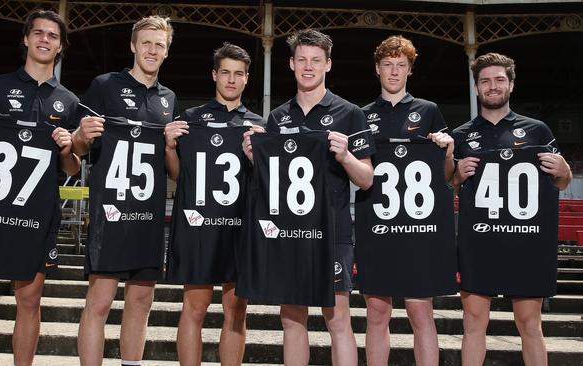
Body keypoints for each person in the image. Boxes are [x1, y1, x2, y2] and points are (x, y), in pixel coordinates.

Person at [0, 9, 79, 366]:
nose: (44, 39)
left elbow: (70, 167)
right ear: (25, 39)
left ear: (61, 46)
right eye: (38, 33)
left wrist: (68, 146)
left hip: (34, 215)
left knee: (30, 301)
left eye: (52, 36)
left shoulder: (68, 102)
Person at [243, 29, 375, 366]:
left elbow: (367, 179)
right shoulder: (277, 117)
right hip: (289, 232)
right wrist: (253, 157)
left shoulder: (349, 113)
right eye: (301, 59)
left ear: (328, 64)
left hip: (332, 233)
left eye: (316, 60)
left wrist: (346, 157)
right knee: (291, 319)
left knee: (338, 319)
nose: (308, 67)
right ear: (290, 63)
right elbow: (270, 180)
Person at [452, 52, 572, 366]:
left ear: (511, 84)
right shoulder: (461, 135)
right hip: (480, 240)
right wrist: (456, 174)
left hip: (526, 240)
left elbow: (561, 182)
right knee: (473, 322)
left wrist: (563, 168)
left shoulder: (538, 131)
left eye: (499, 80)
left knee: (529, 323)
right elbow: (450, 186)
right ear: (476, 87)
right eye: (485, 81)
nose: (493, 86)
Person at [71, 16, 178, 366]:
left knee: (141, 303)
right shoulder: (105, 86)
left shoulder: (168, 99)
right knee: (99, 301)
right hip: (110, 213)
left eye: (159, 44)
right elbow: (78, 148)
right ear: (133, 45)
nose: (152, 49)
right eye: (146, 42)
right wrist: (81, 136)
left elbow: (168, 159)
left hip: (147, 215)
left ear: (167, 51)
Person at [357, 35, 456, 366]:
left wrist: (447, 148)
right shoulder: (361, 115)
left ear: (410, 70)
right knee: (376, 311)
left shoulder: (428, 111)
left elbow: (447, 174)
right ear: (377, 69)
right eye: (388, 65)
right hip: (377, 226)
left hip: (418, 229)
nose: (394, 72)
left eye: (401, 66)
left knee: (420, 310)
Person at [163, 42, 263, 366]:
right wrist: (168, 148)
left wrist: (260, 153)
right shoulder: (191, 119)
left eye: (239, 74)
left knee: (236, 310)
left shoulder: (258, 125)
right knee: (195, 307)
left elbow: (266, 184)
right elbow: (179, 175)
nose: (231, 80)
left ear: (247, 78)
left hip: (240, 228)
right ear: (214, 75)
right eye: (225, 73)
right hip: (199, 226)